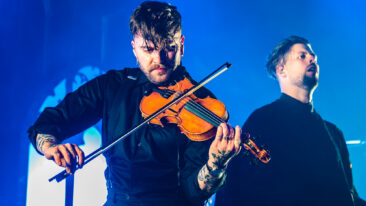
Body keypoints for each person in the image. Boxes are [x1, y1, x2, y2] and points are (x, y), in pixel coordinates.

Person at [27, 1, 242, 206]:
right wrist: (51, 146)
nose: (159, 59)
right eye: (148, 49)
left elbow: (193, 193)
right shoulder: (112, 85)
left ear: (181, 46)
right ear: (134, 49)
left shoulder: (204, 105)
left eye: (168, 47)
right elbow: (47, 124)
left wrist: (216, 165)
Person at [215, 36, 366, 206]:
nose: (312, 58)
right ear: (281, 70)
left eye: (312, 55)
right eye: (302, 56)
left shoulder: (334, 132)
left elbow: (348, 193)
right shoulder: (262, 119)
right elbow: (235, 188)